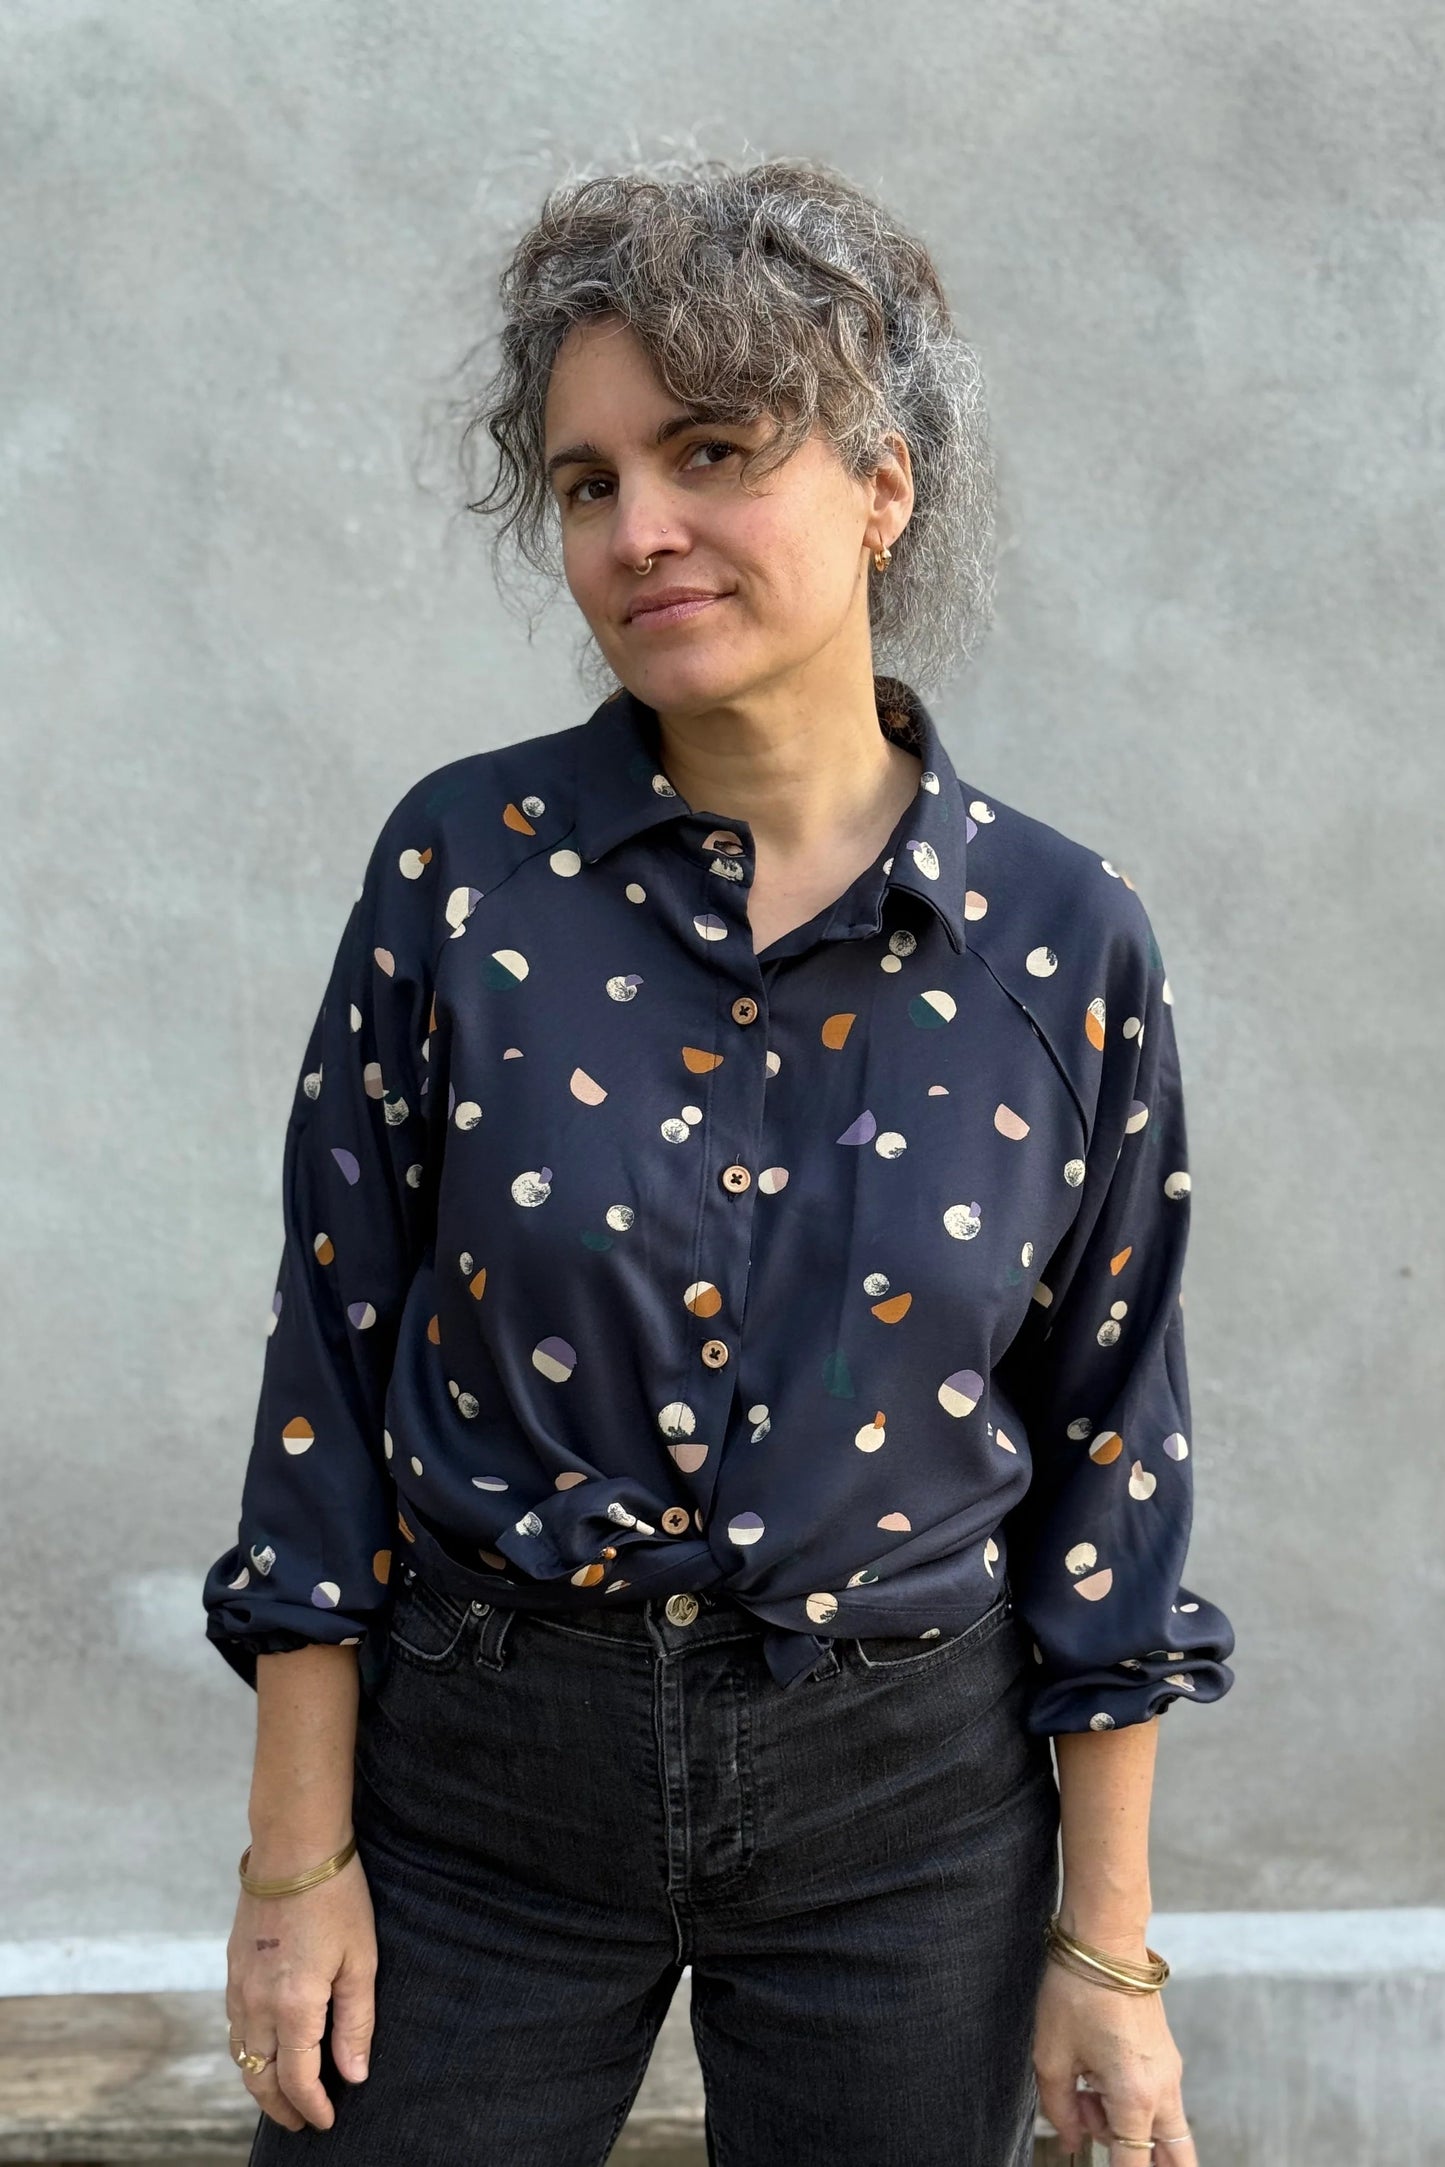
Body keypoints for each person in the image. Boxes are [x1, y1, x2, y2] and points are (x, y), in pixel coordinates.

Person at [203, 155, 1234, 2167]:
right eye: (589, 482)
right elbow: (329, 1364)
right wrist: (290, 1856)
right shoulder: (464, 873)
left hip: (910, 1804)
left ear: (883, 484)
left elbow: (1115, 1444)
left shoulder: (1057, 937)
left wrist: (1107, 1957)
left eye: (712, 449)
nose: (639, 527)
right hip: (481, 1779)